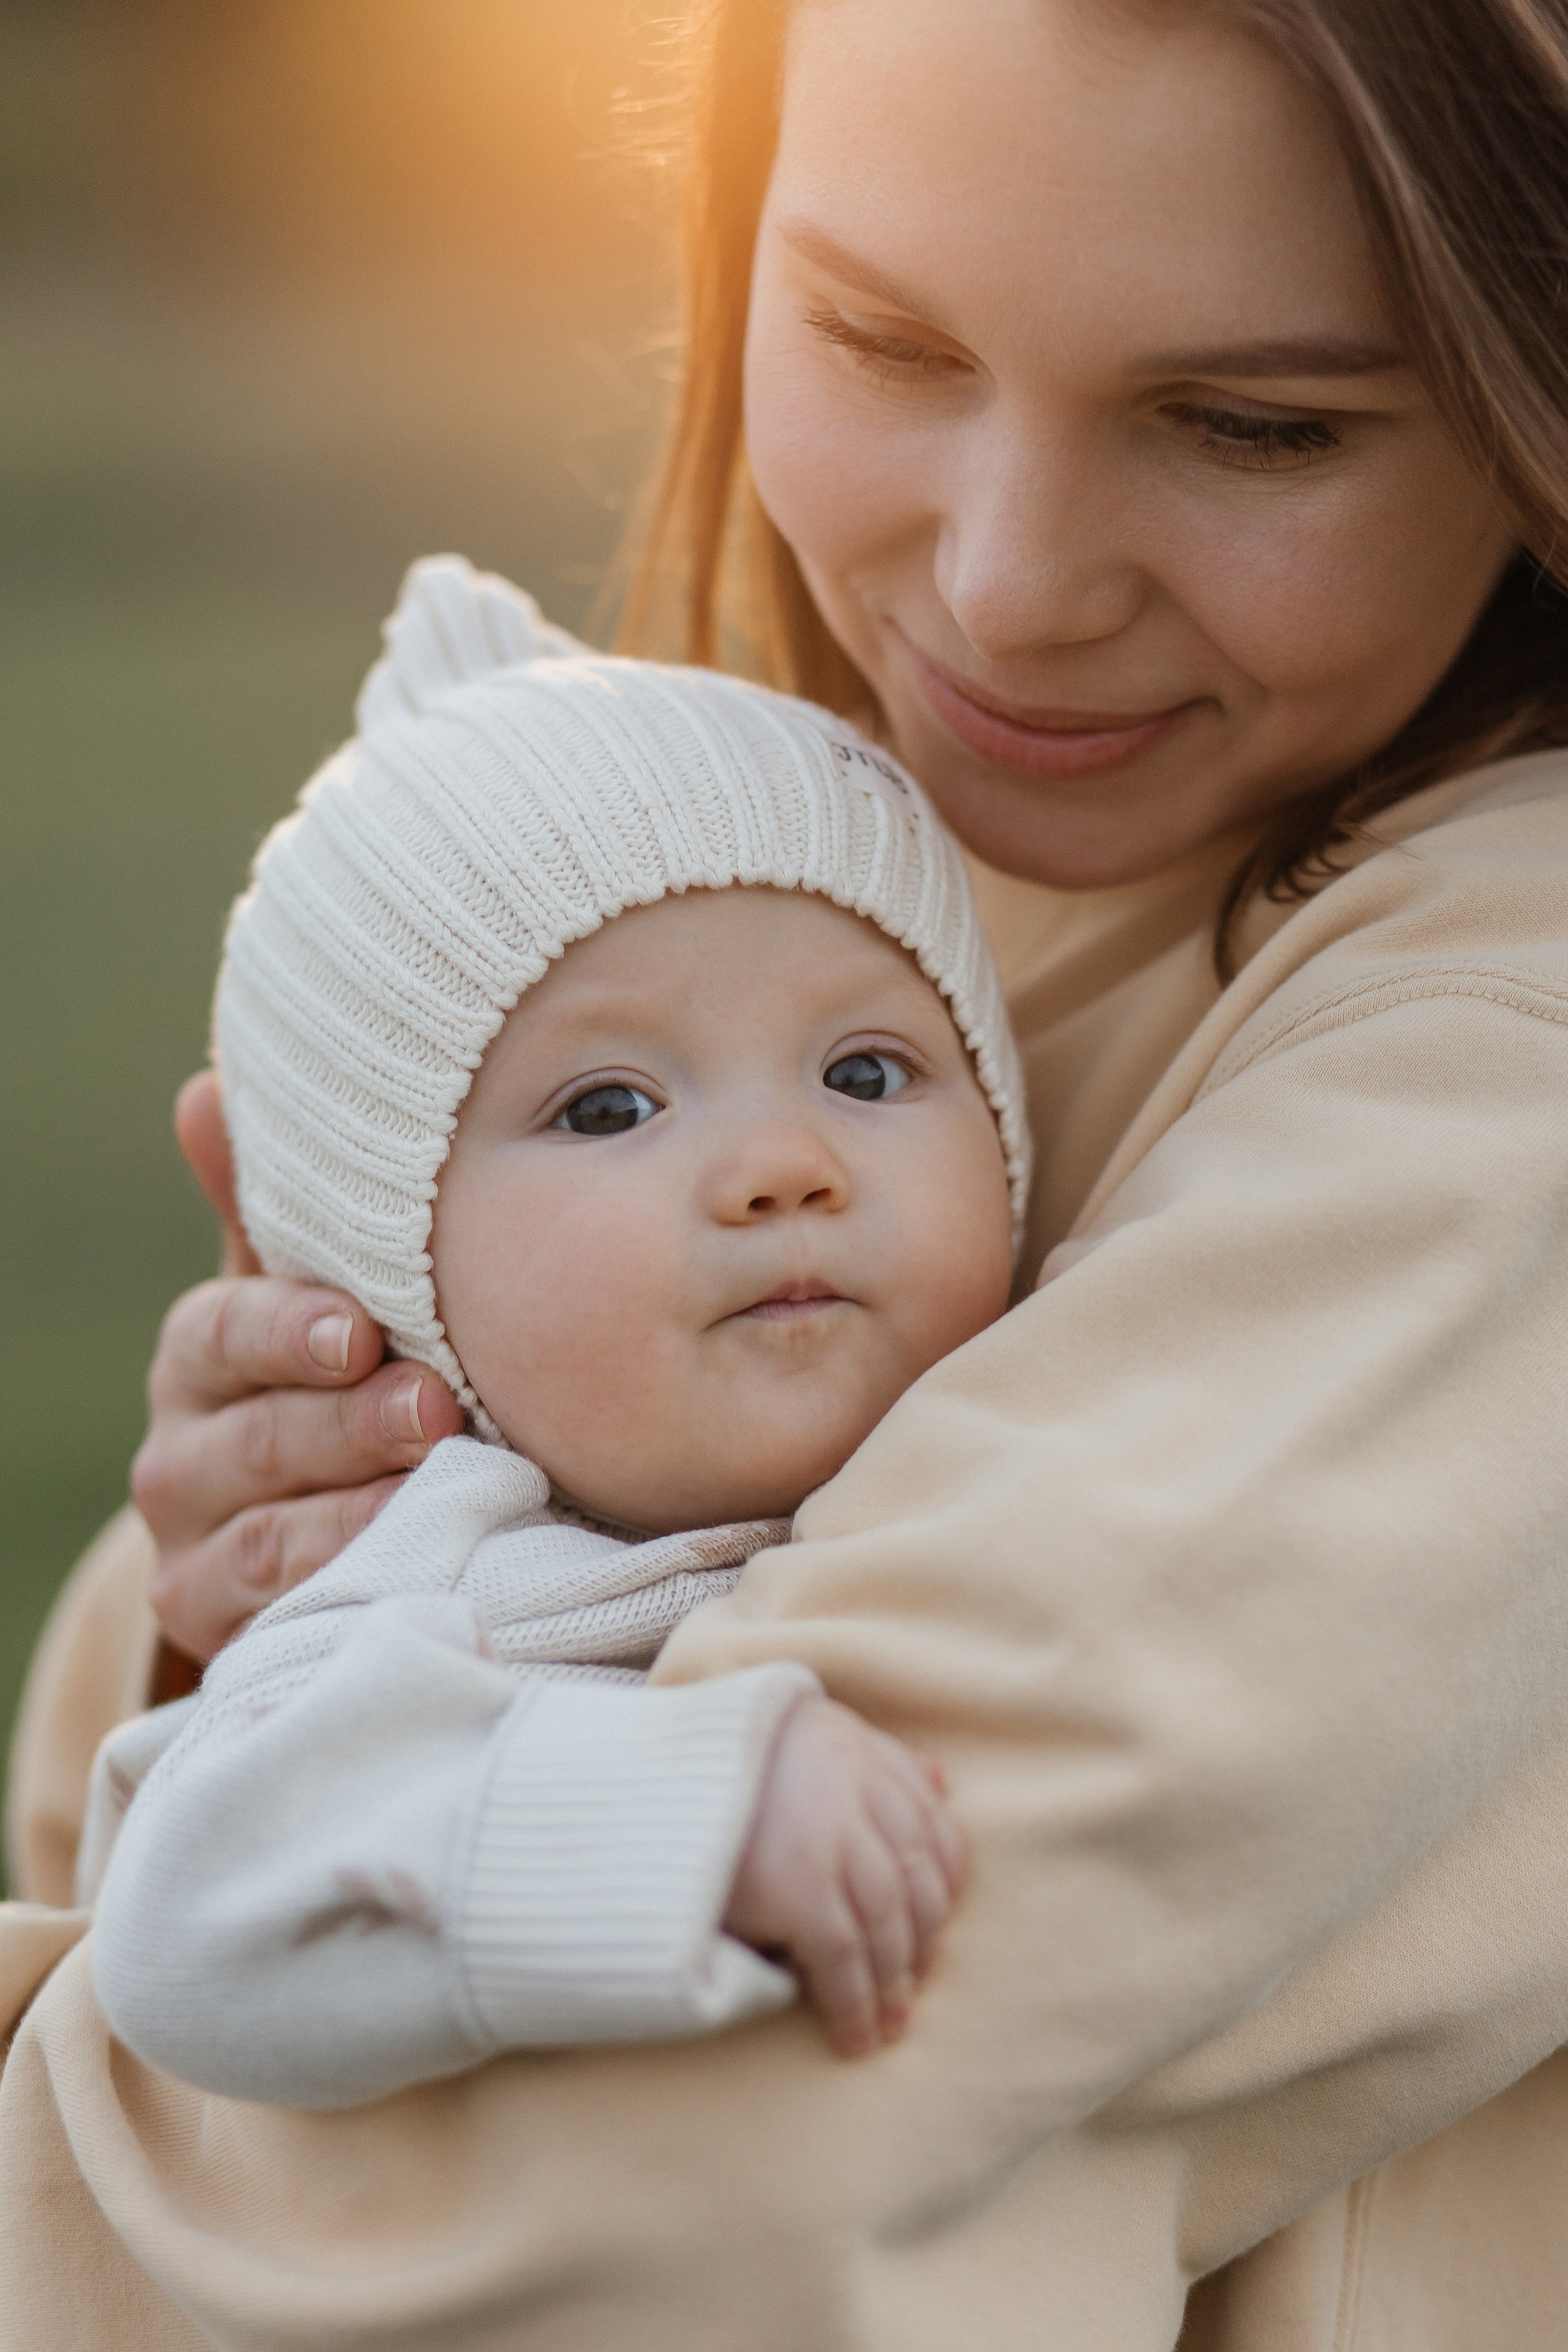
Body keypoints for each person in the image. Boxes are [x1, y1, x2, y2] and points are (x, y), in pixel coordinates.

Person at [7, 0, 1568, 2344]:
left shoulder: (1502, 1067)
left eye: (1258, 422)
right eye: (883, 338)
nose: (1010, 586)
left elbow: (705, 2150)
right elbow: (120, 1828)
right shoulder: (792, 884)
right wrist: (305, 1565)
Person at [84, 554, 1018, 2101]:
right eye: (608, 1107)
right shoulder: (443, 1579)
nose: (784, 1164)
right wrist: (689, 1808)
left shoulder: (1055, 1417)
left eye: (863, 1073)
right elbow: (186, 1925)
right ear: (387, 1261)